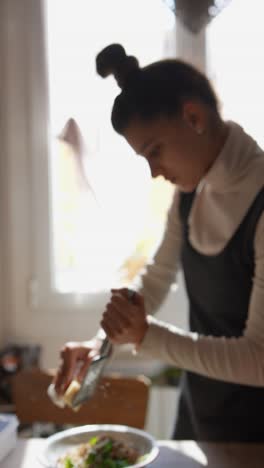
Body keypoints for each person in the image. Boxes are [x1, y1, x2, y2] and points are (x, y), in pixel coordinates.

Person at [54, 43, 264, 442]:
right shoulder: (189, 194)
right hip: (199, 417)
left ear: (193, 117)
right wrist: (100, 346)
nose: (153, 172)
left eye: (155, 151)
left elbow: (259, 358)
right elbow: (156, 278)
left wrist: (148, 337)